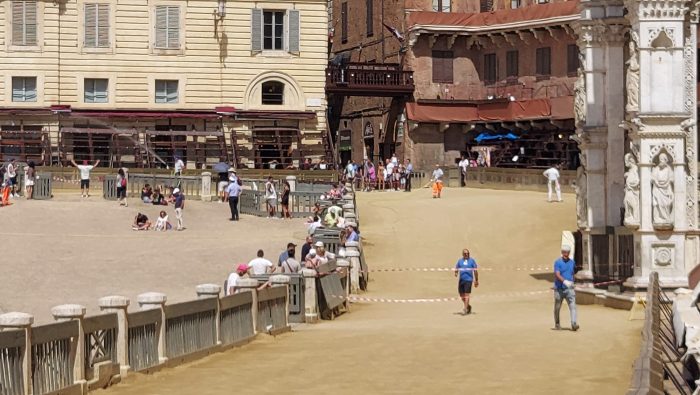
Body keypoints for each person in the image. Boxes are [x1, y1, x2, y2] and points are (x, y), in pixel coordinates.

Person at [554, 245, 579, 331]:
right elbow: (557, 274)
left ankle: (574, 323)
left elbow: (572, 273)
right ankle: (557, 324)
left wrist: (573, 282)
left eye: (567, 252)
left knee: (573, 306)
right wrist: (564, 281)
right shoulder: (557, 262)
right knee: (557, 307)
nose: (566, 254)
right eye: (564, 252)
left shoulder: (572, 262)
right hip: (559, 289)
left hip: (569, 289)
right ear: (562, 252)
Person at [454, 249, 479, 315]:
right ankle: (468, 306)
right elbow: (457, 267)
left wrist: (476, 280)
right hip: (461, 280)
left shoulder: (472, 261)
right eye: (465, 253)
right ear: (463, 254)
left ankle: (465, 309)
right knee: (461, 295)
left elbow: (475, 270)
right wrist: (456, 272)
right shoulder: (460, 261)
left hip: (469, 280)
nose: (466, 254)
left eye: (467, 253)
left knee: (466, 295)